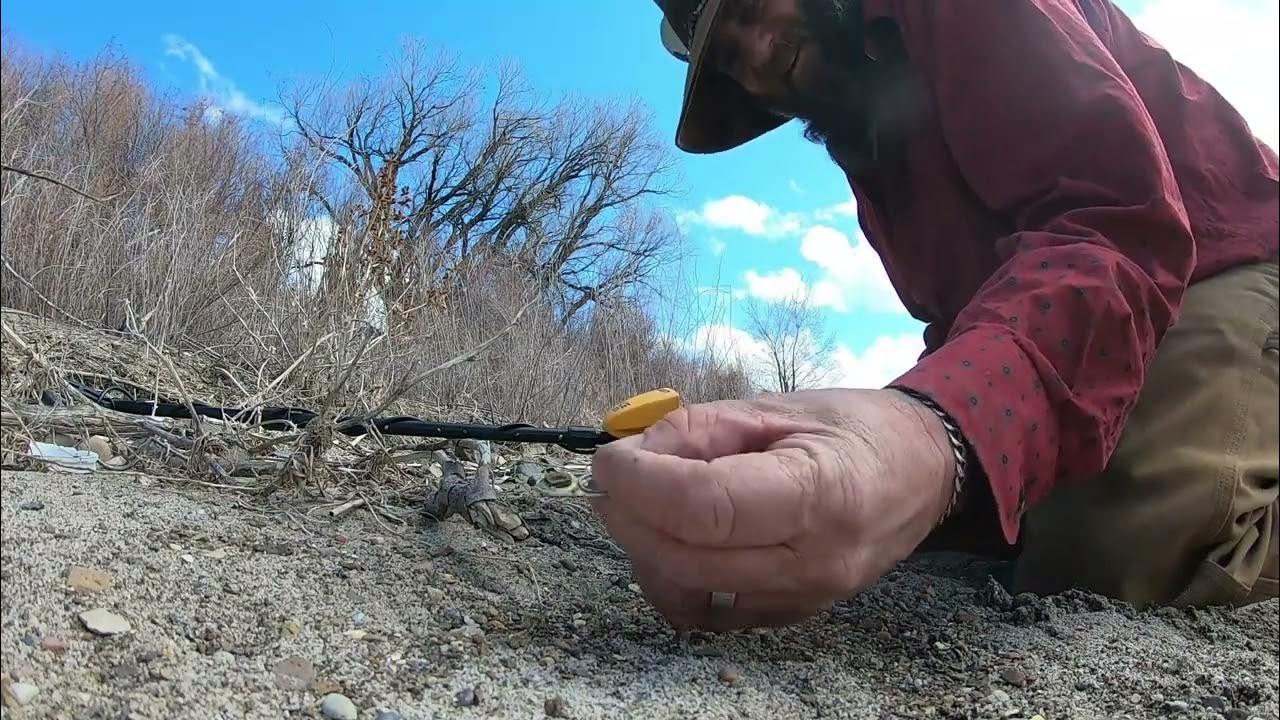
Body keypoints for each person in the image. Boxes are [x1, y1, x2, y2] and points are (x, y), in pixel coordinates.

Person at [586, 0, 1279, 632]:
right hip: (1113, 311)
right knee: (930, 546)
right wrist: (873, 450)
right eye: (731, 57)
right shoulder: (871, 149)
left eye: (751, 6)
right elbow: (966, 325)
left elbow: (1117, 223)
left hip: (1225, 263)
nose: (759, 53)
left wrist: (935, 430)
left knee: (1115, 550)